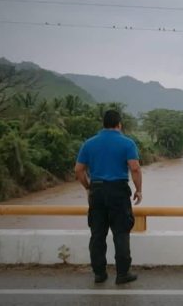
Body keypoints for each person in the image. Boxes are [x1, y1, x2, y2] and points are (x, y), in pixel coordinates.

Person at [75, 110, 143, 285]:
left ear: (103, 124)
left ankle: (99, 273)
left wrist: (88, 187)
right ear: (119, 124)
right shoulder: (127, 143)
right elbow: (135, 168)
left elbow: (78, 170)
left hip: (97, 191)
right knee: (121, 233)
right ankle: (122, 274)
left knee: (97, 234)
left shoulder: (89, 144)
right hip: (118, 192)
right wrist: (139, 189)